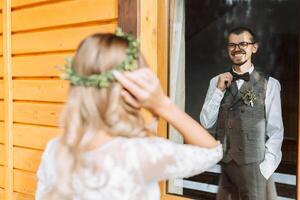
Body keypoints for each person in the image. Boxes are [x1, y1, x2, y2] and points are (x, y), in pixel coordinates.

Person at [35, 31, 222, 200]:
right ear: (131, 89)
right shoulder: (138, 154)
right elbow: (212, 151)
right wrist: (162, 104)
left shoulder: (55, 151)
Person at [200, 27, 284, 200]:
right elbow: (205, 123)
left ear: (254, 47)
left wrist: (265, 169)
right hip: (225, 169)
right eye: (232, 45)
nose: (237, 48)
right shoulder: (215, 82)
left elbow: (276, 131)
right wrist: (218, 91)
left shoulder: (270, 84)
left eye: (243, 44)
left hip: (255, 170)